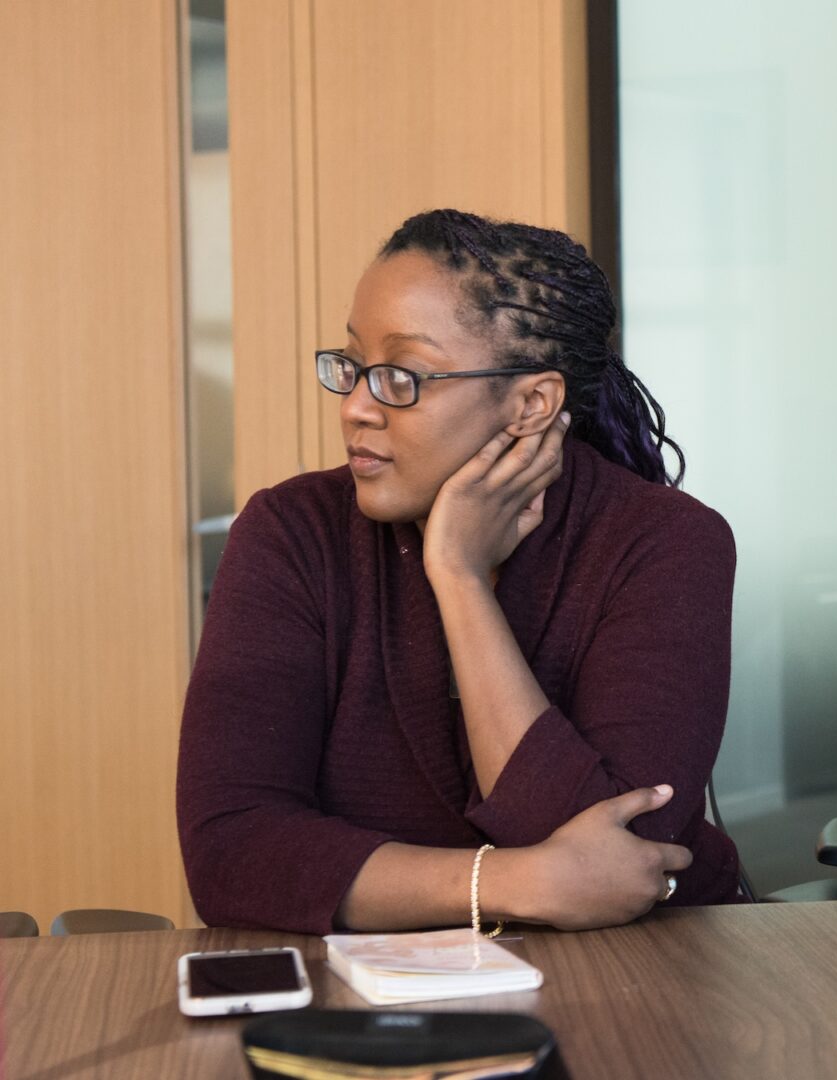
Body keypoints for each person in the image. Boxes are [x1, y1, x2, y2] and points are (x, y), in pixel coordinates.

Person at [177, 209, 741, 934]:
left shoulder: (665, 543)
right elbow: (231, 853)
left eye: (402, 377)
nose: (355, 408)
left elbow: (621, 865)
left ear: (532, 403)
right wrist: (510, 883)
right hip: (365, 1006)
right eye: (352, 367)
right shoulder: (291, 533)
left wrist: (459, 577)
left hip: (644, 987)